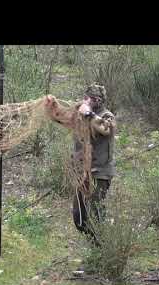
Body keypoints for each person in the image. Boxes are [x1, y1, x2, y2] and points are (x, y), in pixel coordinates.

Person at [72, 84, 117, 246]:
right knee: (79, 217)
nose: (85, 101)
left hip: (100, 173)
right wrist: (52, 108)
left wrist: (89, 114)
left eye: (89, 98)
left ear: (98, 100)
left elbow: (106, 129)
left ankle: (101, 251)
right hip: (82, 174)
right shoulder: (80, 115)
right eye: (85, 97)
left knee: (95, 215)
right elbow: (64, 119)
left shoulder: (107, 116)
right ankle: (96, 244)